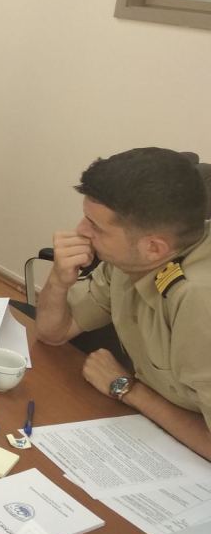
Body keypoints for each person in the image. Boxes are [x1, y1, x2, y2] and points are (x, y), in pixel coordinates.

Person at [35, 148, 211, 460]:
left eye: (95, 226)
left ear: (154, 248)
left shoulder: (199, 300)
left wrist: (127, 388)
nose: (81, 231)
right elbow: (54, 332)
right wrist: (59, 281)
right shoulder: (132, 260)